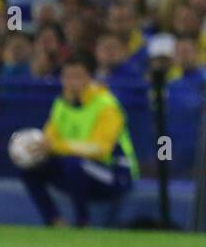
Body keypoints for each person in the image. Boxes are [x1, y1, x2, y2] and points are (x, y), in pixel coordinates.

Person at [16, 51, 139, 227]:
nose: (72, 83)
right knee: (29, 167)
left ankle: (82, 222)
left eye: (77, 77)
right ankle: (54, 221)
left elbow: (100, 149)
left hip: (114, 174)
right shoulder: (61, 103)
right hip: (77, 170)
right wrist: (36, 147)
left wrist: (56, 146)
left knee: (74, 164)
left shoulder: (107, 106)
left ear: (90, 77)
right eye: (67, 77)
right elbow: (49, 138)